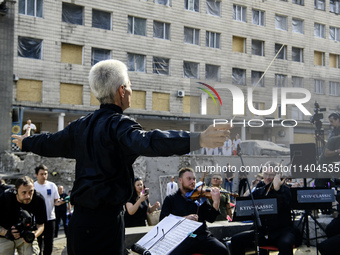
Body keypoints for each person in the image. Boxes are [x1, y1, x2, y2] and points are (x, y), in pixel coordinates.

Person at [11, 59, 232, 255]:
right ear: (122, 91)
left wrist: (26, 141)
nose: (131, 91)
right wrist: (198, 139)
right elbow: (151, 141)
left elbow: (50, 142)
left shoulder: (80, 127)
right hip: (105, 225)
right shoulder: (119, 124)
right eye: (130, 86)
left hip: (78, 224)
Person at [231, 161, 297, 255]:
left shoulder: (285, 190)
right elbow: (245, 204)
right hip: (263, 232)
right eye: (265, 174)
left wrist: (277, 190)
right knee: (236, 240)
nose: (267, 177)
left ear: (278, 176)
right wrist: (250, 189)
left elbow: (285, 205)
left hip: (282, 231)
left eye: (271, 175)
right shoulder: (260, 188)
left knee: (285, 244)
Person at [160, 167, 229, 255]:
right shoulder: (171, 199)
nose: (193, 181)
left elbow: (211, 218)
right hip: (182, 238)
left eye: (194, 179)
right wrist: (184, 219)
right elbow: (163, 221)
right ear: (180, 180)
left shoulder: (200, 196)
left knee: (222, 250)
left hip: (202, 236)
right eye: (189, 179)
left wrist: (216, 201)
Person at [0, 176, 47, 255]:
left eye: (30, 192)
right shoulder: (4, 198)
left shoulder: (38, 199)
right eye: (24, 192)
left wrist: (33, 235)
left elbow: (41, 224)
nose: (28, 196)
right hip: (5, 236)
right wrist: (7, 233)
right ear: (16, 191)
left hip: (26, 235)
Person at [34, 164, 65, 255]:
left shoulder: (52, 185)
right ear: (36, 174)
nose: (44, 176)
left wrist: (61, 202)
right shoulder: (33, 186)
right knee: (38, 242)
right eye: (41, 174)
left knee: (49, 242)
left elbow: (56, 201)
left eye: (45, 174)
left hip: (50, 218)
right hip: (37, 220)